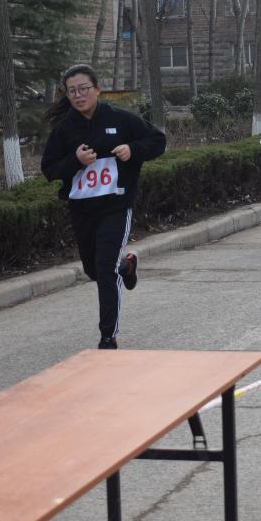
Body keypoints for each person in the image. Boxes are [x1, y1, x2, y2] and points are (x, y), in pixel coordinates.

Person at [41, 65, 165, 349]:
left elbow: (158, 141)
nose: (78, 95)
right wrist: (75, 161)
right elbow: (49, 169)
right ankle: (126, 266)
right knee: (94, 270)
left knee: (105, 270)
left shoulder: (120, 119)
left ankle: (108, 337)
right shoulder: (64, 130)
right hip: (82, 209)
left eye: (83, 89)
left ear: (97, 89)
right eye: (72, 91)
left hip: (116, 205)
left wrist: (133, 150)